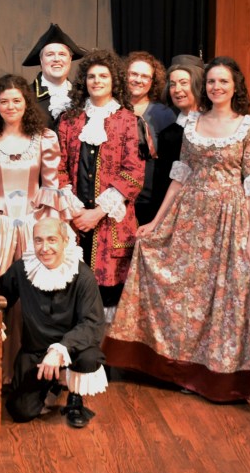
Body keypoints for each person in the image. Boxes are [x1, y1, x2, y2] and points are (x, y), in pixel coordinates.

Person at [103, 57, 250, 402]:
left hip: (229, 219)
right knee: (187, 294)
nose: (216, 87)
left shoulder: (248, 128)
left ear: (235, 86)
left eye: (223, 81)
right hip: (188, 216)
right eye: (211, 81)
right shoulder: (193, 124)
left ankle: (220, 375)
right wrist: (156, 222)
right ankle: (179, 369)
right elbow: (180, 175)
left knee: (223, 295)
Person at [0, 74, 79, 381]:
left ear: (26, 103)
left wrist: (51, 228)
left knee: (37, 295)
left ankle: (32, 373)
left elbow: (51, 184)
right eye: (4, 101)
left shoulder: (45, 137)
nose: (10, 106)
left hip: (35, 224)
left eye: (16, 100)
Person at [57, 50, 144, 321]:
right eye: (92, 76)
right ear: (84, 81)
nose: (97, 81)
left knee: (108, 300)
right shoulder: (69, 120)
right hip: (74, 220)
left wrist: (97, 213)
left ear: (114, 80)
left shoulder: (129, 121)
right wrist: (75, 210)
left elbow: (134, 173)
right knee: (72, 292)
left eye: (103, 76)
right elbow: (58, 166)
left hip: (111, 224)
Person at [0, 218, 107, 428]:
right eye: (38, 240)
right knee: (20, 411)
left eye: (52, 240)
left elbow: (92, 323)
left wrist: (60, 350)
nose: (44, 248)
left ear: (65, 241)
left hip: (73, 350)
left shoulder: (83, 275)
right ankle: (53, 386)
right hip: (35, 350)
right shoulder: (23, 268)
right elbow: (0, 293)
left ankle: (75, 398)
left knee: (89, 357)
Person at [125, 52, 177, 225]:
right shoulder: (111, 108)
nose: (138, 80)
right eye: (134, 74)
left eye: (145, 76)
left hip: (151, 202)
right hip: (116, 198)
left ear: (152, 81)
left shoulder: (163, 115)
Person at [151, 56, 204, 214]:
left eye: (183, 83)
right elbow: (161, 185)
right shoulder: (168, 134)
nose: (177, 89)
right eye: (173, 84)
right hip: (174, 213)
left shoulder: (216, 126)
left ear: (198, 84)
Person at [21, 23, 87, 130]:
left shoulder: (82, 95)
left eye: (62, 54)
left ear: (70, 59)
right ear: (41, 60)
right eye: (50, 54)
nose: (56, 59)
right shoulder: (24, 95)